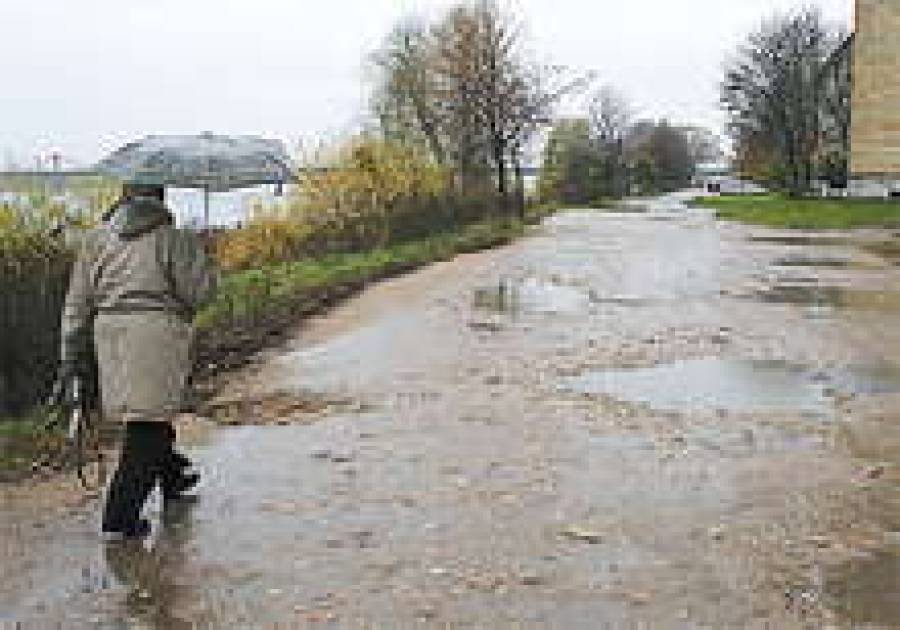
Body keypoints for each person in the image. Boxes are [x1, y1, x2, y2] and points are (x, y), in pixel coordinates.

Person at [60, 182, 217, 538]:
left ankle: (174, 475)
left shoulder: (96, 240)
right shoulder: (173, 239)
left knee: (142, 414)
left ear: (124, 198)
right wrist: (202, 260)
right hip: (154, 334)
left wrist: (71, 353)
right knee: (148, 426)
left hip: (108, 334)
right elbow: (199, 294)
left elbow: (76, 304)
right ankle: (120, 517)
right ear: (161, 197)